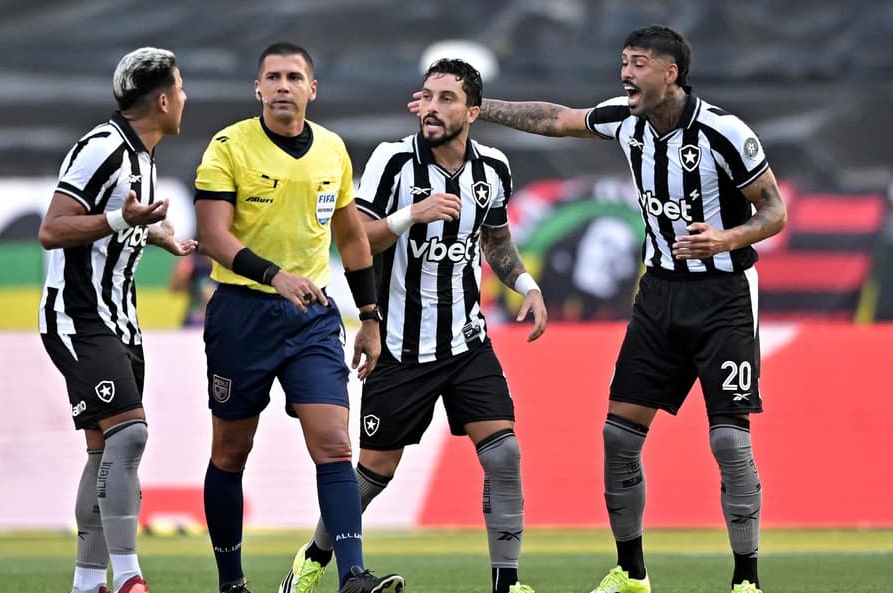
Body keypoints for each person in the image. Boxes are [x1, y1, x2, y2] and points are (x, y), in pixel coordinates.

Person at [441, 25, 787, 593]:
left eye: (639, 63)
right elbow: (557, 119)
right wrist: (480, 106)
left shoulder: (726, 132)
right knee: (620, 437)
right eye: (624, 61)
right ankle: (631, 573)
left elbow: (774, 211)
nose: (626, 72)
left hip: (724, 294)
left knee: (729, 439)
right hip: (658, 294)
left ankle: (746, 579)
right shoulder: (626, 121)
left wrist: (723, 239)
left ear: (670, 72)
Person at [279, 59, 548, 593]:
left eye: (447, 98)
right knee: (374, 473)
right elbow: (357, 240)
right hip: (399, 344)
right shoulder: (393, 160)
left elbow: (495, 241)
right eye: (427, 96)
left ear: (473, 112)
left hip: (467, 341)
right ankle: (311, 560)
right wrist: (411, 216)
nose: (432, 107)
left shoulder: (493, 168)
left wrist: (528, 286)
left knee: (504, 453)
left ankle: (507, 582)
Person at [192, 42, 405, 593]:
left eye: (294, 77)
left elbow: (352, 236)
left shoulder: (333, 149)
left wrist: (370, 316)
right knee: (231, 451)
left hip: (312, 315)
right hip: (243, 312)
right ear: (256, 88)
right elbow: (213, 236)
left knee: (334, 444)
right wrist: (274, 277)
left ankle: (353, 576)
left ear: (313, 89)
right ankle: (232, 582)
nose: (283, 86)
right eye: (273, 77)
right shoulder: (228, 147)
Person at [38, 47, 195, 593]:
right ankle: (129, 576)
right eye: (180, 88)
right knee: (130, 435)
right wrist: (119, 218)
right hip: (77, 317)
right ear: (161, 98)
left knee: (104, 450)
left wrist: (158, 235)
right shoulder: (102, 147)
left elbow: (118, 221)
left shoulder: (142, 159)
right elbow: (54, 229)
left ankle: (87, 583)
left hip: (118, 321)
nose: (185, 98)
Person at [169, 252, 217, 327]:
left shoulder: (225, 264)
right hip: (194, 320)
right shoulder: (194, 262)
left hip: (218, 320)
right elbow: (175, 289)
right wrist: (182, 274)